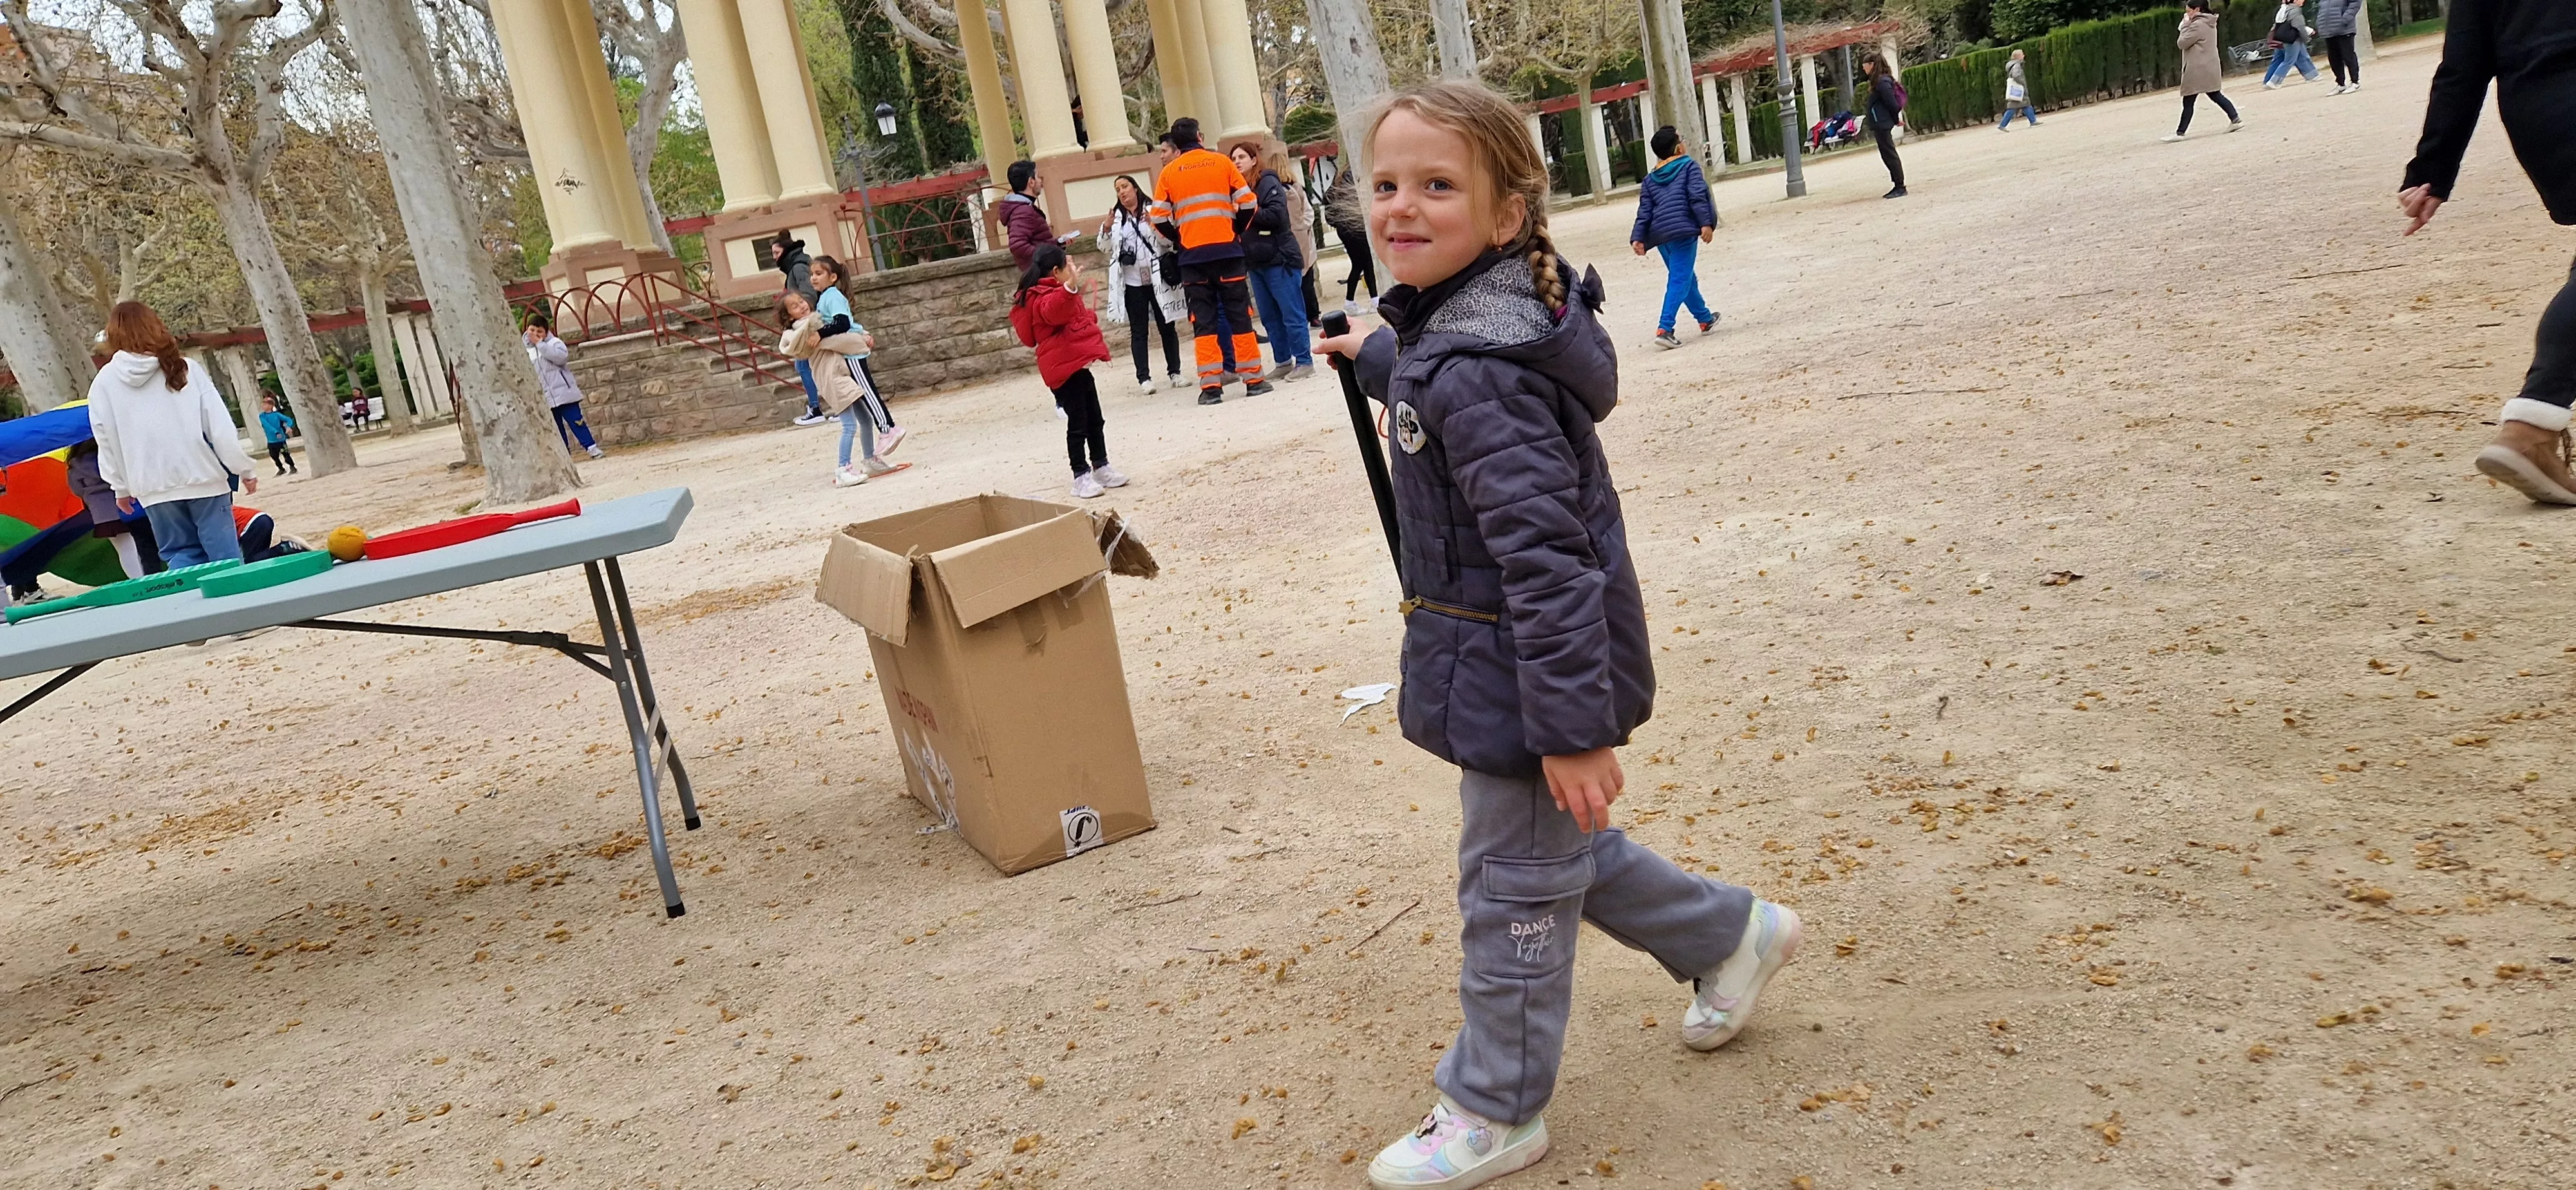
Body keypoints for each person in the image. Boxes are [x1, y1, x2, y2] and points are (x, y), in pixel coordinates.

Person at [1312, 80, 1800, 1190]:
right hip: (1500, 662)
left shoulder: (1485, 373)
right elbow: (1436, 375)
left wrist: (1574, 729)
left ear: (1505, 216)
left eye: (1438, 185)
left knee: (1513, 892)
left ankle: (1497, 1106)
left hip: (1530, 676)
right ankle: (1730, 935)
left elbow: (1550, 561)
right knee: (1550, 854)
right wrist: (1375, 354)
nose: (1400, 206)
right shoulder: (1463, 327)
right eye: (1386, 184)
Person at [2403, 0, 2576, 504]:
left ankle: (2534, 424)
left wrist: (2432, 168)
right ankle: (2530, 428)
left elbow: (2462, 66)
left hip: (2538, 110)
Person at [86, 300, 260, 570]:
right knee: (225, 557)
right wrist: (243, 468)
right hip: (204, 477)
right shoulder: (184, 368)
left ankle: (193, 598)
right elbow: (219, 428)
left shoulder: (103, 383)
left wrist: (120, 487)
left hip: (151, 486)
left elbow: (105, 440)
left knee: (180, 556)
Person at [1150, 117, 1270, 405]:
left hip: (1192, 258)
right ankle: (1253, 380)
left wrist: (1180, 238)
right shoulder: (1222, 163)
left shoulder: (1169, 173)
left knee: (1203, 321)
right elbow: (1249, 202)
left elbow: (1158, 218)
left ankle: (1211, 387)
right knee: (1239, 315)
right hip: (1228, 253)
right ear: (1200, 137)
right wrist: (1236, 229)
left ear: (1176, 145)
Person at [1010, 244, 1127, 499]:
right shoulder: (1041, 296)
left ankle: (1101, 465)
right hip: (1062, 371)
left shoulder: (1057, 291)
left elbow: (1073, 315)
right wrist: (1070, 287)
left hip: (1076, 367)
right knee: (1078, 424)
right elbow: (1054, 311)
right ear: (1055, 271)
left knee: (1095, 419)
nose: (1071, 270)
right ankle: (1080, 475)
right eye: (1067, 266)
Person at [781, 287, 906, 487]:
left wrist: (861, 333)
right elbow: (837, 339)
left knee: (865, 419)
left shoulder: (815, 321)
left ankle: (870, 460)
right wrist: (861, 338)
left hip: (841, 375)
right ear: (789, 316)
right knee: (849, 425)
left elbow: (839, 330)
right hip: (832, 378)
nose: (802, 306)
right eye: (795, 307)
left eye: (802, 301)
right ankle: (843, 469)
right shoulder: (805, 330)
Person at [1627, 126, 1719, 350]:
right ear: (1679, 148)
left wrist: (1638, 237)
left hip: (1661, 237)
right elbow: (1697, 196)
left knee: (1685, 277)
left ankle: (1705, 318)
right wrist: (1705, 224)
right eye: (1682, 139)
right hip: (1684, 232)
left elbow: (1645, 211)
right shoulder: (1689, 167)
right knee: (1680, 279)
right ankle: (1665, 329)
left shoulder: (1650, 179)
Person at [810, 254, 909, 457]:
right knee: (865, 391)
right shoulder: (826, 297)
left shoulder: (832, 296)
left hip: (852, 352)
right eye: (812, 274)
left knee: (867, 390)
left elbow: (843, 323)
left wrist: (820, 333)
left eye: (819, 273)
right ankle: (887, 429)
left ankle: (888, 429)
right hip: (849, 349)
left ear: (833, 277)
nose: (813, 278)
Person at [1098, 175, 1189, 393]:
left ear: (1135, 188)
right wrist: (1107, 228)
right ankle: (1144, 378)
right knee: (1139, 331)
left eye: (1125, 186)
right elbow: (1104, 247)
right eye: (1118, 189)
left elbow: (1169, 241)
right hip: (1132, 282)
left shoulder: (1153, 210)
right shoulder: (1116, 218)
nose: (1122, 192)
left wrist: (1154, 225)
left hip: (1157, 278)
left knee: (1167, 326)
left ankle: (1175, 373)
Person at [1233, 142, 1315, 381]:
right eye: (1233, 159)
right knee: (1269, 317)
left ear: (1254, 160)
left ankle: (1305, 361)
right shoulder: (1237, 189)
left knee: (1291, 313)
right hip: (1255, 263)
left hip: (1280, 259)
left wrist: (1246, 209)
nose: (1237, 162)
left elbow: (1277, 216)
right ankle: (1283, 362)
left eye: (1241, 157)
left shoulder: (1268, 182)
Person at [524, 312, 605, 459]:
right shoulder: (525, 350)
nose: (535, 334)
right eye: (532, 330)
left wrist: (540, 344)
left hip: (564, 393)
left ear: (546, 332)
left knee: (577, 421)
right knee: (556, 427)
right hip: (545, 396)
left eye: (539, 331)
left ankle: (591, 448)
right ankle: (565, 454)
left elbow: (560, 358)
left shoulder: (555, 343)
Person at [2168, 0, 2243, 143]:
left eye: (2189, 11)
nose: (2187, 14)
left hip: (2197, 67)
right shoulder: (2209, 22)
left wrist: (2185, 26)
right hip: (2209, 65)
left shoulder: (2197, 25)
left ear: (2197, 9)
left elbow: (2182, 43)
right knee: (2215, 94)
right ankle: (2235, 119)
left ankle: (2180, 132)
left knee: (2189, 100)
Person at [775, 231, 829, 426]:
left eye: (776, 253)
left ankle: (816, 408)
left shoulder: (797, 268)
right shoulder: (795, 266)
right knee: (806, 366)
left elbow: (808, 295)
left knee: (805, 365)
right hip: (809, 324)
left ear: (785, 251)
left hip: (810, 326)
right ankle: (820, 406)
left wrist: (801, 316)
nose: (774, 257)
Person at [999, 160, 1076, 272]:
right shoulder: (1023, 211)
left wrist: (1059, 243)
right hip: (1040, 274)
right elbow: (1017, 246)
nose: (1040, 181)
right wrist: (1045, 257)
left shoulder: (1024, 209)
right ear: (1031, 182)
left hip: (1042, 272)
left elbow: (1038, 242)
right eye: (1038, 177)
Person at [1323, 164, 1378, 315]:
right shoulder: (1352, 178)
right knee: (1366, 263)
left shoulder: (1337, 183)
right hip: (1354, 226)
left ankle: (1353, 301)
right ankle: (1372, 300)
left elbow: (1327, 204)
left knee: (1359, 264)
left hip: (1344, 228)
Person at [1861, 52, 1907, 198]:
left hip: (1882, 123)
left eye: (1865, 65)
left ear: (1872, 65)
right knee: (1887, 154)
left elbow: (1891, 103)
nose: (1864, 68)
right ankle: (1897, 184)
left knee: (1889, 154)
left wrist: (1895, 119)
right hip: (1880, 122)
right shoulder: (1880, 81)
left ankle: (1900, 186)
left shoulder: (1882, 82)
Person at [2263, 1, 2323, 88]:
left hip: (2286, 38)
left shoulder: (2284, 10)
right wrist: (2306, 38)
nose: (2303, 1)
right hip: (2294, 38)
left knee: (2302, 56)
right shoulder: (2295, 10)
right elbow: (2299, 27)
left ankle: (2312, 75)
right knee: (2289, 60)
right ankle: (2274, 81)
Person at [2317, 0, 2365, 93]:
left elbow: (2355, 3)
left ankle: (2355, 82)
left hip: (2345, 29)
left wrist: (2345, 19)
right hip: (2328, 30)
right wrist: (2320, 21)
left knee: (2348, 56)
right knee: (2334, 58)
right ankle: (2341, 84)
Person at [1996, 48, 2041, 129]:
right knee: (2014, 107)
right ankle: (2003, 125)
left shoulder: (2013, 65)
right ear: (2018, 56)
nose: (2024, 55)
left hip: (2016, 89)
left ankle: (2033, 121)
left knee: (2025, 105)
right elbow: (2016, 76)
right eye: (2022, 54)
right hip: (2018, 89)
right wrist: (2022, 83)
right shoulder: (2017, 65)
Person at [258, 395, 298, 475]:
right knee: (274, 456)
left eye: (265, 404)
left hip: (281, 439)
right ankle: (281, 468)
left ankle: (292, 467)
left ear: (271, 406)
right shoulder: (262, 416)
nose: (263, 406)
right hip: (271, 440)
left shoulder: (277, 415)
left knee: (285, 453)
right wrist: (276, 432)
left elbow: (288, 420)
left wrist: (289, 427)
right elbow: (267, 426)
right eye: (263, 404)